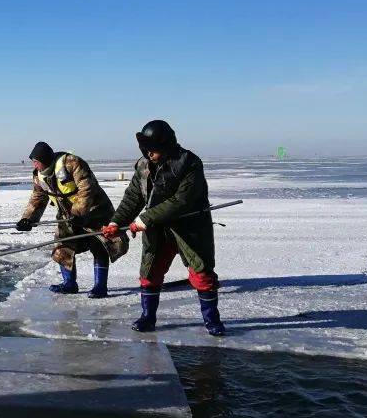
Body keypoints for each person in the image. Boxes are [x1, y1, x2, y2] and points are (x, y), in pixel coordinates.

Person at [101, 120, 225, 336]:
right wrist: (115, 222)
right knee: (149, 273)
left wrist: (144, 220)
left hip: (190, 229)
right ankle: (148, 317)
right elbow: (133, 197)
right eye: (146, 149)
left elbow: (182, 200)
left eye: (153, 149)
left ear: (166, 145)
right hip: (157, 229)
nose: (149, 153)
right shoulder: (143, 165)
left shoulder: (189, 162)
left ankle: (212, 319)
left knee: (201, 273)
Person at [15, 142, 128, 298]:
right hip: (68, 216)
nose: (34, 164)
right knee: (62, 246)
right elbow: (38, 198)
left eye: (36, 161)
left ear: (45, 159)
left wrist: (79, 213)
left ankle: (100, 287)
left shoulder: (72, 163)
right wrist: (27, 219)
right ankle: (69, 284)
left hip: (96, 211)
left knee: (100, 245)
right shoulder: (39, 175)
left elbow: (87, 188)